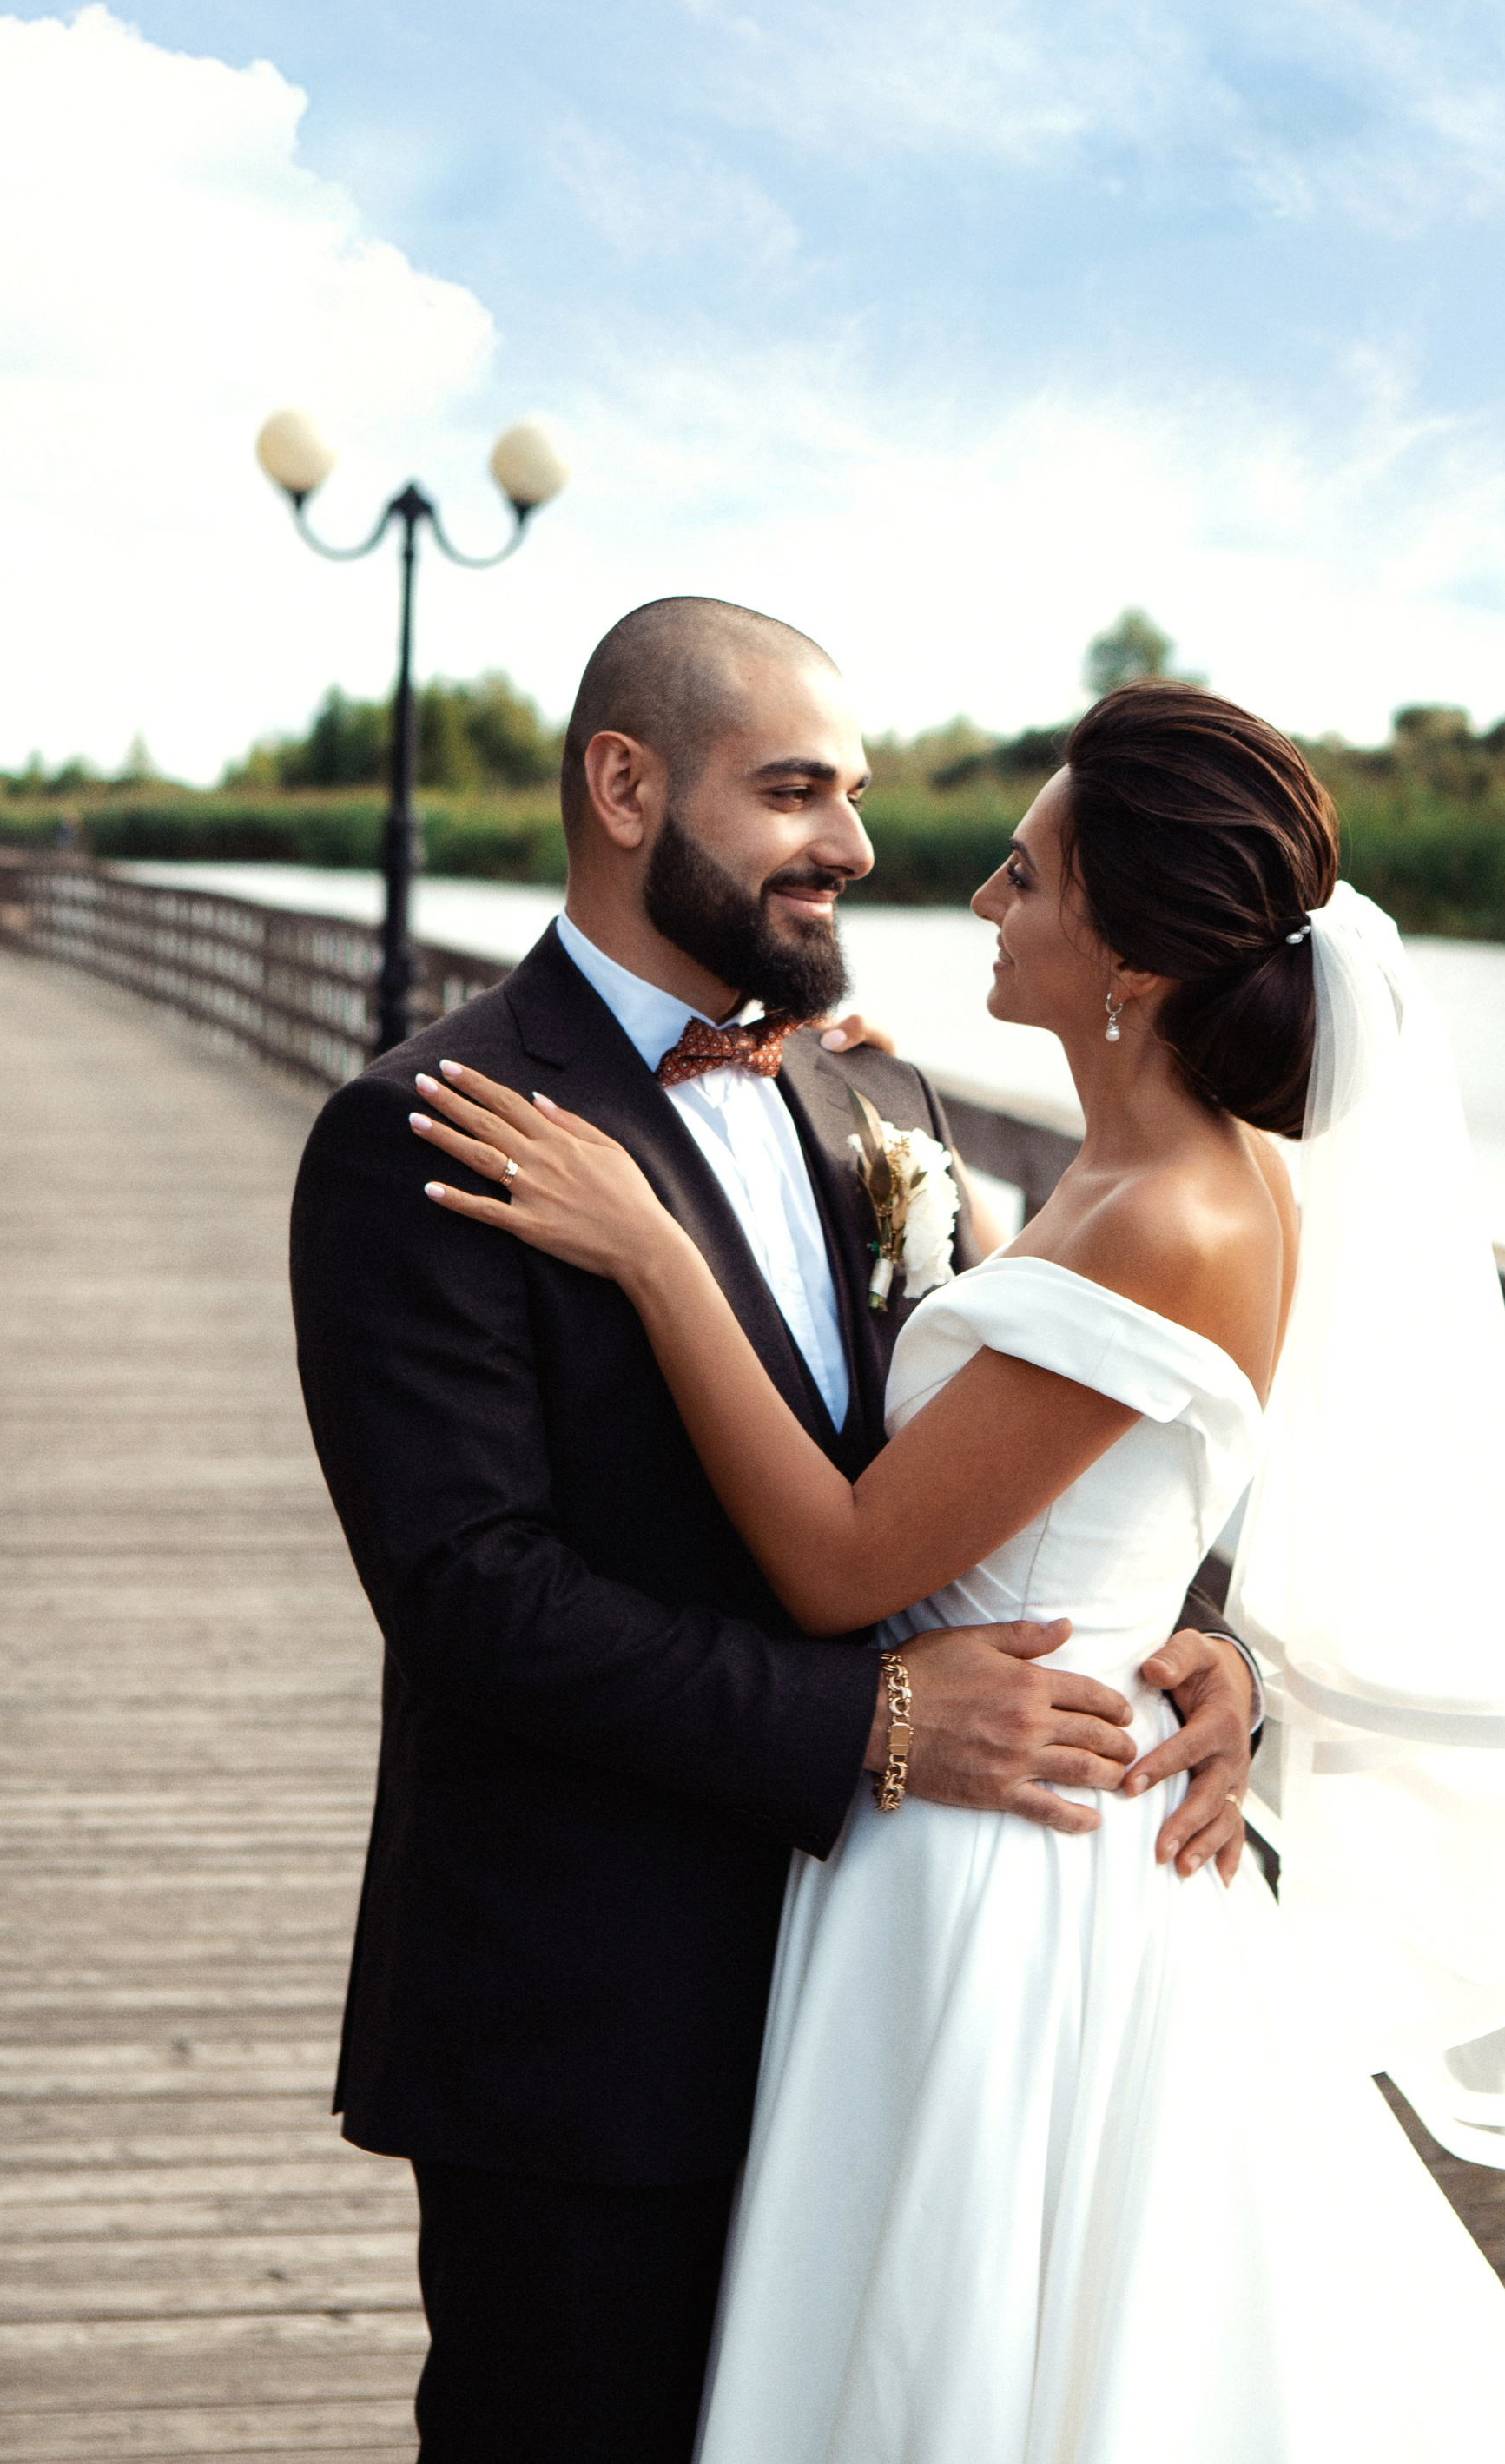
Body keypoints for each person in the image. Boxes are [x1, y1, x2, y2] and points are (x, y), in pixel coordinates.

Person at [415, 672, 1505, 2461]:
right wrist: (1203, 1634)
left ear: (1126, 956)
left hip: (1001, 1865)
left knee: (976, 2343)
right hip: (1028, 1791)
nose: (976, 895)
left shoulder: (1174, 1213)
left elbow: (842, 1560)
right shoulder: (1159, 1180)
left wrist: (653, 1253)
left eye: (1022, 877)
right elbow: (1109, 1459)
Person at [287, 600, 1262, 2463]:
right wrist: (878, 1728)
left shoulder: (871, 1092)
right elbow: (469, 1597)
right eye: (794, 789)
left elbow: (1029, 1451)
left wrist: (1195, 1642)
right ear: (626, 786)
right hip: (595, 2026)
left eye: (859, 792)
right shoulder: (424, 1131)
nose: (856, 846)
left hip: (912, 2009)